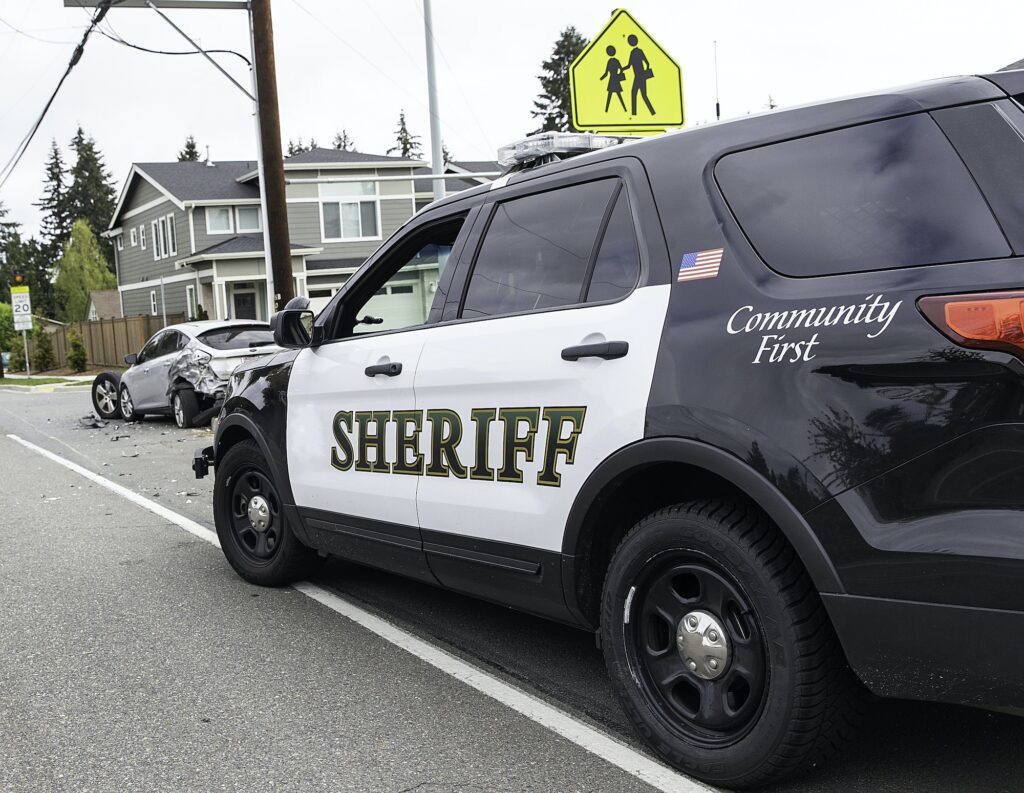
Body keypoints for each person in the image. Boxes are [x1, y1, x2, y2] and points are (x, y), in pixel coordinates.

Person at [624, 34, 655, 116]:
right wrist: (621, 69)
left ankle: (638, 113)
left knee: (638, 94)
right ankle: (650, 112)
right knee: (640, 94)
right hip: (639, 76)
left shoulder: (636, 52)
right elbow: (646, 63)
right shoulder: (636, 52)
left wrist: (645, 73)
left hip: (639, 76)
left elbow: (629, 65)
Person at [600, 45, 627, 112]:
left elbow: (606, 73)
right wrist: (618, 74)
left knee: (610, 96)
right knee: (617, 95)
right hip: (615, 79)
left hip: (612, 79)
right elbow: (621, 69)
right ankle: (625, 109)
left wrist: (601, 78)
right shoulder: (616, 61)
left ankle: (606, 110)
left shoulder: (609, 61)